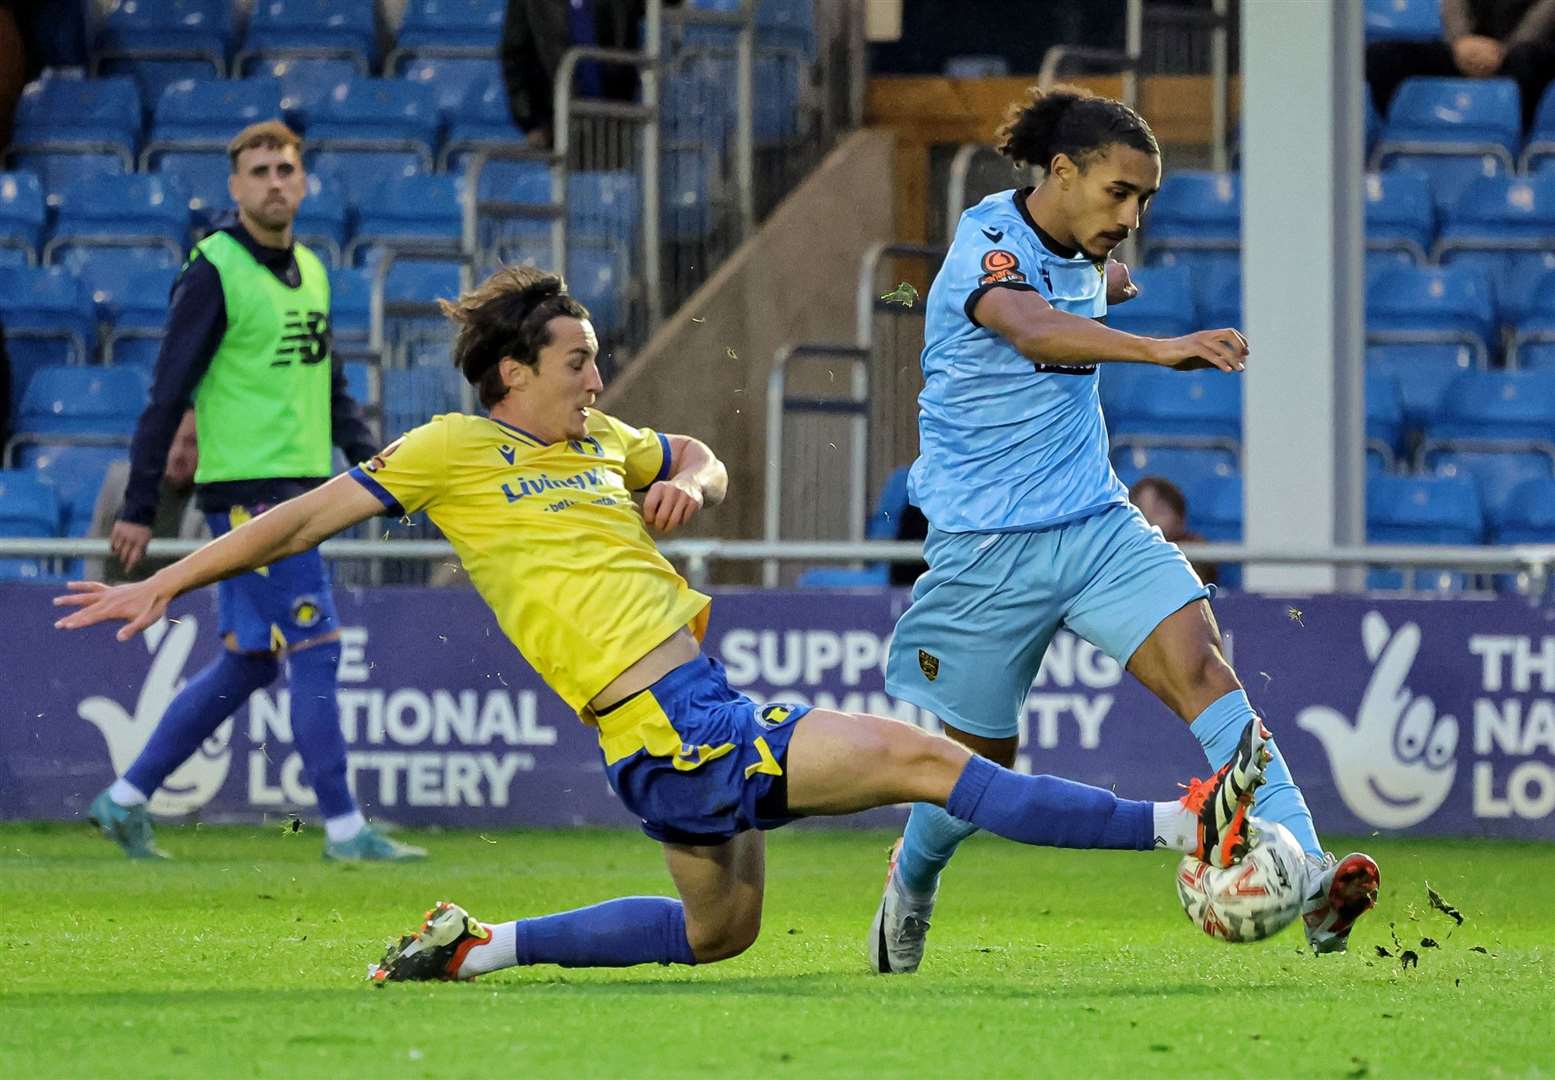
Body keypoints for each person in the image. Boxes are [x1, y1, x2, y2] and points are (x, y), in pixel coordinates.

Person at [56, 265, 1275, 981]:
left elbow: (690, 453)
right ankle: (1187, 822)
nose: (597, 375)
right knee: (925, 759)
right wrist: (168, 577)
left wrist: (691, 478)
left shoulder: (596, 441)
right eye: (578, 359)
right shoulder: (450, 451)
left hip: (684, 718)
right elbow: (300, 519)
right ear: (511, 376)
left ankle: (482, 947)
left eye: (595, 359)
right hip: (666, 723)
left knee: (721, 932)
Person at [871, 85, 1380, 974]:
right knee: (976, 770)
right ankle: (909, 888)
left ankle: (1306, 873)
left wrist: (1105, 277)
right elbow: (1027, 324)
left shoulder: (1082, 252)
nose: (1133, 215)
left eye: (1145, 200)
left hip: (1097, 522)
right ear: (1059, 172)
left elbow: (1076, 285)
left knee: (1204, 670)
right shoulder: (986, 244)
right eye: (1119, 193)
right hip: (986, 550)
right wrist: (1155, 344)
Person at [86, 119, 421, 863]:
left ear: (304, 183)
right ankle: (343, 831)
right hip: (253, 498)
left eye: (285, 168)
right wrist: (141, 506)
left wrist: (377, 467)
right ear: (235, 187)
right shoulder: (213, 267)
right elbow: (166, 392)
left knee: (248, 660)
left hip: (300, 491)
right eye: (260, 170)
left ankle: (125, 798)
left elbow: (329, 384)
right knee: (317, 648)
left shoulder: (314, 267)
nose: (274, 181)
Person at [1367, 0, 1555, 130]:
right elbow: (1454, 6)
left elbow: (1546, 12)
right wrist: (1461, 43)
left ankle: (1515, 146)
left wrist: (1503, 50)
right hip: (1466, 49)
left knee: (1526, 60)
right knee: (1382, 56)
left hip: (1529, 51)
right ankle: (1400, 139)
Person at [86, 409, 204, 584]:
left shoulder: (211, 498)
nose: (179, 453)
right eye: (171, 439)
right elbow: (96, 540)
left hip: (174, 601)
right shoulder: (120, 478)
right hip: (114, 592)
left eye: (191, 443)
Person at [1128, 475, 1219, 588]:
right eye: (1141, 510)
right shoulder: (1123, 554)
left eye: (1159, 510)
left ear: (1180, 518)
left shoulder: (1198, 553)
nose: (1148, 519)